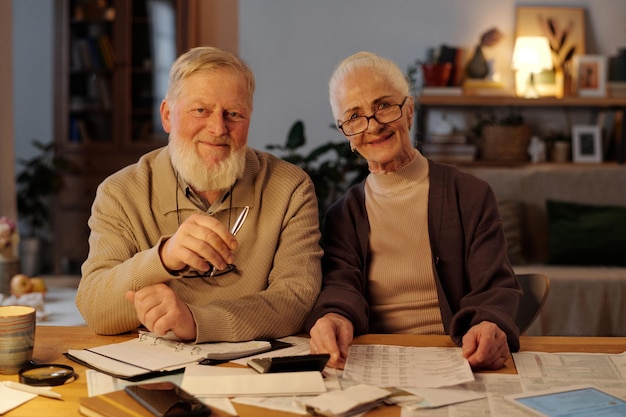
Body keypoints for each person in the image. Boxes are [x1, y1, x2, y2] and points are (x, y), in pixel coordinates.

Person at [76, 46, 323, 343]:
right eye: (200, 110)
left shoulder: (291, 188)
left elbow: (296, 300)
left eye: (234, 114)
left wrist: (195, 321)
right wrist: (164, 258)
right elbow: (95, 308)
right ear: (167, 116)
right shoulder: (120, 193)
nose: (218, 128)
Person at [305, 52, 521, 370]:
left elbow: (494, 286)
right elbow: (340, 285)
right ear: (346, 135)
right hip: (375, 362)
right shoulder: (344, 215)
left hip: (460, 358)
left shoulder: (470, 194)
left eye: (383, 106)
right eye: (354, 116)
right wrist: (334, 316)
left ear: (408, 111)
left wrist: (488, 323)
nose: (373, 125)